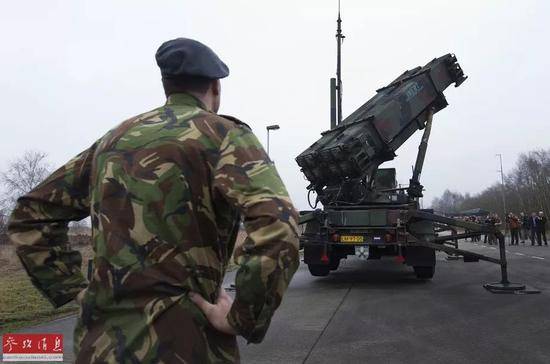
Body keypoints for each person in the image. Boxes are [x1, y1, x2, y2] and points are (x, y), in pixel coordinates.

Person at [7, 38, 300, 363]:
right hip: (187, 345)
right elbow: (279, 226)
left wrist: (74, 289)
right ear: (215, 87)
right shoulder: (222, 135)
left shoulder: (112, 141)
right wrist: (242, 317)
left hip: (101, 347)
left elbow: (30, 215)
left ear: (167, 87)